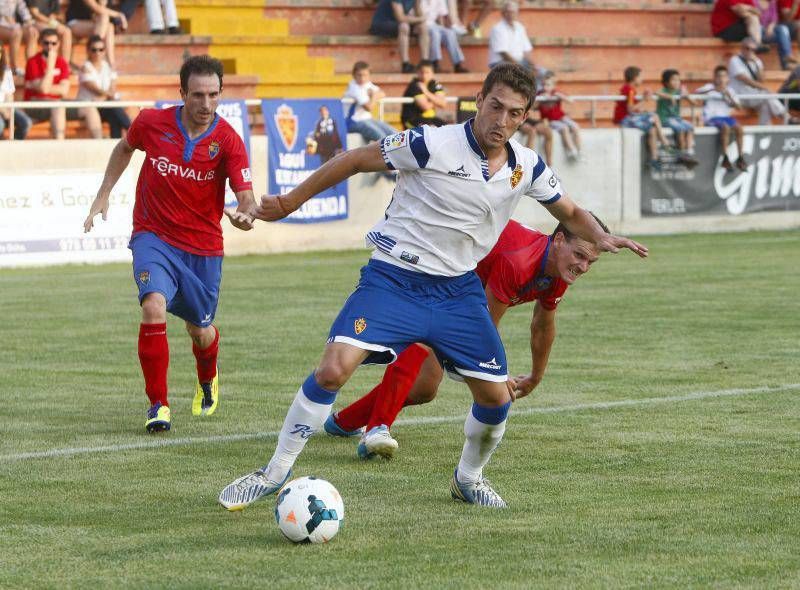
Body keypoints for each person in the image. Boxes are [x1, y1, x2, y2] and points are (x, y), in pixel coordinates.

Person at [218, 62, 648, 512]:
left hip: (457, 291)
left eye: (514, 113)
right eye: (495, 106)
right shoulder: (431, 143)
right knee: (332, 370)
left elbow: (569, 210)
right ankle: (273, 473)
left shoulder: (526, 167)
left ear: (524, 118)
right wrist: (287, 203)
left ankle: (468, 479)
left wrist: (600, 237)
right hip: (393, 279)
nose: (501, 121)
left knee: (495, 398)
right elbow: (356, 158)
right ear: (478, 101)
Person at [324, 216, 607, 459]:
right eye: (579, 256)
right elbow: (482, 327)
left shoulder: (558, 270)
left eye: (590, 262)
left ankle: (344, 421)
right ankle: (376, 430)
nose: (582, 267)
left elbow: (543, 325)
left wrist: (536, 375)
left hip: (457, 293)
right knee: (421, 342)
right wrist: (498, 373)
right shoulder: (520, 261)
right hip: (430, 269)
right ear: (558, 240)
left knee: (424, 388)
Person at [82, 55, 257, 433]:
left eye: (213, 95)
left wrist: (245, 215)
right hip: (153, 237)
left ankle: (207, 376)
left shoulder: (228, 140)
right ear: (182, 93)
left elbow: (246, 197)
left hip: (202, 248)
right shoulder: (151, 123)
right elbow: (124, 148)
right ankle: (158, 405)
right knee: (153, 306)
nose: (206, 104)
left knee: (201, 331)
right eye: (197, 95)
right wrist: (104, 193)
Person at [612, 65, 670, 171]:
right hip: (626, 120)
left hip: (628, 118)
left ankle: (654, 158)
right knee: (654, 116)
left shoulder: (629, 89)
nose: (642, 79)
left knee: (652, 130)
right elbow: (630, 109)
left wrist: (641, 109)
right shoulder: (630, 90)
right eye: (640, 77)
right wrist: (645, 100)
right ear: (634, 77)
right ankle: (663, 140)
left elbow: (630, 107)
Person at [695, 65, 749, 171]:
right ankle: (725, 157)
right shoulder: (709, 87)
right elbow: (696, 93)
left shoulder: (730, 91)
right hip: (711, 118)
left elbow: (739, 108)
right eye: (719, 76)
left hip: (725, 117)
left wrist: (728, 96)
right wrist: (714, 90)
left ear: (727, 78)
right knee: (725, 127)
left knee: (739, 128)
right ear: (714, 77)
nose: (721, 79)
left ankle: (740, 157)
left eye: (724, 76)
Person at [77, 35, 130, 138]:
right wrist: (108, 95)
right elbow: (95, 89)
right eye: (94, 50)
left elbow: (112, 89)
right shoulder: (85, 67)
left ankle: (122, 137)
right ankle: (132, 129)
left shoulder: (107, 66)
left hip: (103, 104)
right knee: (115, 109)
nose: (97, 53)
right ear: (88, 51)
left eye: (101, 50)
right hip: (89, 106)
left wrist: (107, 96)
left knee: (114, 113)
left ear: (105, 51)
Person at [728, 36, 787, 124]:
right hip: (739, 96)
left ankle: (764, 132)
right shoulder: (735, 60)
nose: (749, 51)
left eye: (752, 49)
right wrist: (764, 88)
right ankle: (786, 116)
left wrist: (756, 63)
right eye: (747, 48)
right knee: (766, 95)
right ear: (742, 48)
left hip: (753, 96)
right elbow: (746, 80)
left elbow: (762, 79)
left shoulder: (756, 61)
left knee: (765, 106)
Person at [23, 28, 68, 139]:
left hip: (56, 102)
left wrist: (44, 87)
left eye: (53, 43)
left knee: (88, 108)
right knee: (58, 107)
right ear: (40, 43)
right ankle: (60, 147)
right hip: (34, 103)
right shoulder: (32, 61)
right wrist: (50, 66)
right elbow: (43, 89)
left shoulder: (62, 62)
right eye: (46, 43)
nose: (50, 46)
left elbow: (64, 91)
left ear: (58, 44)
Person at [369, 0, 430, 74]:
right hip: (381, 24)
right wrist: (420, 19)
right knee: (404, 26)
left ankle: (425, 62)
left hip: (397, 23)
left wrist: (418, 4)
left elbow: (419, 15)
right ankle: (405, 64)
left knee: (422, 27)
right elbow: (400, 17)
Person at [655, 69, 700, 168]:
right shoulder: (664, 90)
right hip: (665, 118)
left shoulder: (679, 91)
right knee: (679, 129)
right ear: (666, 82)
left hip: (676, 118)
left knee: (689, 127)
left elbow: (695, 103)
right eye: (673, 80)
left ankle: (689, 153)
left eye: (678, 80)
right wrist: (669, 97)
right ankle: (681, 154)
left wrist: (687, 96)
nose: (677, 82)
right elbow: (657, 92)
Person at [343, 61, 397, 143]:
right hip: (353, 122)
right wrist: (374, 95)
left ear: (369, 75)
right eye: (359, 75)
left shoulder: (367, 84)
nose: (362, 78)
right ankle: (390, 155)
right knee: (382, 137)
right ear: (354, 75)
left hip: (368, 119)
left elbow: (382, 93)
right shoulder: (354, 88)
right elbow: (369, 107)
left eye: (365, 75)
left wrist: (373, 95)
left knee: (394, 133)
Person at [536, 72, 584, 162]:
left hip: (561, 117)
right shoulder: (540, 94)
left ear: (553, 86)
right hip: (550, 120)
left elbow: (570, 101)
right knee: (564, 128)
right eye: (543, 85)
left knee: (575, 126)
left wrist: (558, 96)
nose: (545, 87)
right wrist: (542, 99)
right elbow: (533, 106)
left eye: (548, 85)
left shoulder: (556, 93)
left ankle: (579, 150)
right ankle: (571, 150)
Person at [66, 0, 127, 69]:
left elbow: (101, 9)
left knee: (109, 27)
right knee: (104, 17)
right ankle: (93, 59)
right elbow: (96, 8)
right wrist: (119, 15)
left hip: (91, 24)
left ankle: (110, 64)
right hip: (74, 22)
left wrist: (103, 2)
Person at [421, 0, 469, 73]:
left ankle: (457, 64)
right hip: (422, 25)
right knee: (435, 33)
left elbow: (442, 16)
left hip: (434, 25)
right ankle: (435, 63)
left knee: (450, 33)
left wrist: (443, 28)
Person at [400, 59, 447, 128]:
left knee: (446, 128)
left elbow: (443, 104)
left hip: (430, 118)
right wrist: (436, 100)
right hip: (412, 119)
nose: (424, 75)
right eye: (421, 72)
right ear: (417, 72)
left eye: (427, 72)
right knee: (431, 130)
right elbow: (426, 107)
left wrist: (426, 92)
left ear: (432, 73)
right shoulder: (415, 85)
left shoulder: (434, 84)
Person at [0, 41, 32, 138]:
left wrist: (9, 109)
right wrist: (3, 110)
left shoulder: (6, 70)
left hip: (5, 106)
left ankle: (13, 149)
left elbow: (9, 95)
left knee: (26, 123)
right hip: (1, 109)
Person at [27, 0, 72, 66]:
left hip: (49, 23)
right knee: (37, 33)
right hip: (33, 22)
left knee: (67, 32)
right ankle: (32, 67)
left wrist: (52, 21)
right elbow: (34, 13)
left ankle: (64, 66)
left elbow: (55, 13)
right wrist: (52, 23)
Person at [488, 2, 532, 69]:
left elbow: (527, 50)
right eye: (507, 12)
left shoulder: (520, 27)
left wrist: (533, 66)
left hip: (519, 62)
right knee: (523, 74)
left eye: (512, 12)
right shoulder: (497, 28)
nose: (510, 15)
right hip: (500, 63)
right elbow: (503, 53)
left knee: (543, 73)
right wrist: (519, 66)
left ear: (517, 13)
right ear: (502, 14)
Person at [0, 0, 38, 75]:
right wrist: (5, 18)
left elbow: (24, 11)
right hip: (2, 24)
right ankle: (14, 68)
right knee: (16, 33)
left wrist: (29, 24)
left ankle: (32, 67)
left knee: (32, 33)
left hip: (12, 25)